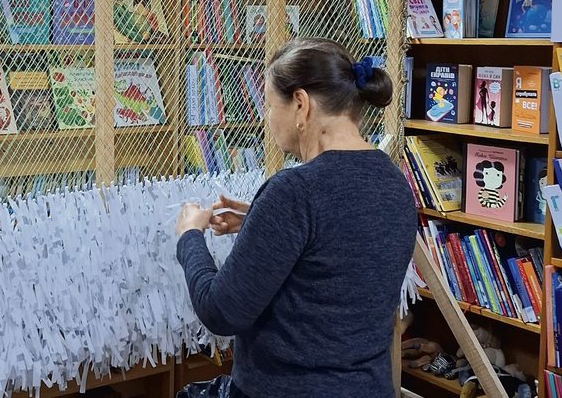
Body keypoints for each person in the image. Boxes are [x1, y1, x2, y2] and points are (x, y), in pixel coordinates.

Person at [175, 38, 415, 398]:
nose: (267, 118)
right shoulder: (395, 183)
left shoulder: (294, 192)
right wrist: (258, 220)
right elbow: (336, 250)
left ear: (301, 104)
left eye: (270, 105)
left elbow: (221, 312)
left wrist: (189, 236)